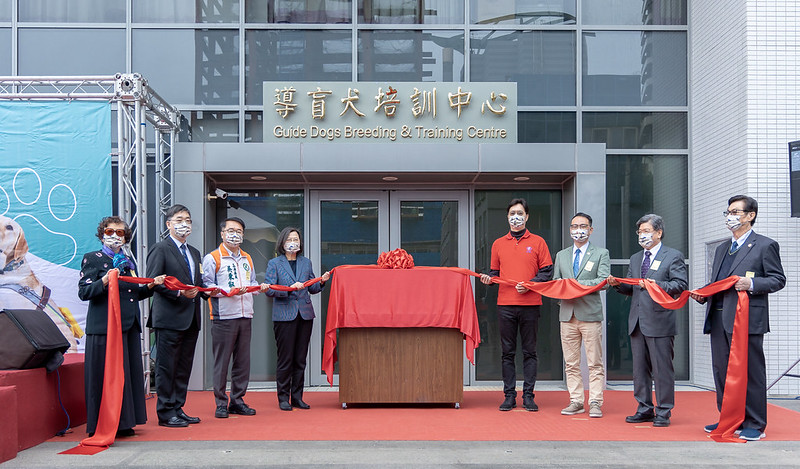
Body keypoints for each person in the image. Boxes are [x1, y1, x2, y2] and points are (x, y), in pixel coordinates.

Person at [691, 195, 785, 441]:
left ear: (750, 215)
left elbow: (777, 279)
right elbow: (719, 282)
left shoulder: (765, 245)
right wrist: (704, 293)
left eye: (735, 212)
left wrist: (751, 283)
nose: (730, 217)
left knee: (751, 371)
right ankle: (729, 418)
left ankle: (755, 423)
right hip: (719, 318)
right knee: (722, 370)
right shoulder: (722, 248)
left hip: (747, 319)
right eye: (728, 212)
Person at [78, 216, 165, 437]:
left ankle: (125, 422)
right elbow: (84, 292)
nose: (115, 236)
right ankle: (100, 423)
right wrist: (105, 280)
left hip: (127, 326)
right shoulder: (93, 258)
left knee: (127, 374)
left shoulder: (127, 262)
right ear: (102, 235)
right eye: (110, 232)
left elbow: (133, 293)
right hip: (104, 327)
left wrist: (152, 285)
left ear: (125, 238)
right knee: (103, 376)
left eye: (120, 233)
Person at [608, 213, 687, 427]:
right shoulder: (636, 258)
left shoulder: (673, 256)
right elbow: (632, 288)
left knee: (662, 370)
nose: (642, 235)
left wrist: (654, 284)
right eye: (639, 232)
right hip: (637, 322)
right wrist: (617, 284)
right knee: (639, 370)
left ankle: (663, 411)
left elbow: (680, 285)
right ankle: (644, 408)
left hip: (660, 321)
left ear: (658, 233)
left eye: (646, 231)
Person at [480, 198, 553, 412]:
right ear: (507, 217)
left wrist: (530, 285)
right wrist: (488, 280)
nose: (516, 217)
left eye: (520, 213)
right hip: (505, 305)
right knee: (507, 353)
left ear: (527, 216)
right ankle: (509, 396)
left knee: (530, 352)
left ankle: (528, 396)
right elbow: (494, 273)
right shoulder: (498, 244)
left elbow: (547, 271)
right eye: (512, 213)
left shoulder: (538, 242)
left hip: (530, 304)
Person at [146, 204, 210, 428]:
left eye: (188, 220)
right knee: (167, 367)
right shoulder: (160, 248)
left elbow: (198, 283)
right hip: (169, 318)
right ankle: (165, 412)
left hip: (191, 318)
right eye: (180, 220)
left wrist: (209, 292)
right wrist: (178, 292)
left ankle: (178, 407)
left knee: (183, 367)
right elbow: (153, 281)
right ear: (169, 224)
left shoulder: (194, 252)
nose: (185, 224)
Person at [202, 217, 270, 419]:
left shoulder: (247, 258)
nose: (235, 234)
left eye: (239, 231)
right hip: (223, 316)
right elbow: (206, 286)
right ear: (222, 233)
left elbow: (251, 282)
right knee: (222, 362)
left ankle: (238, 400)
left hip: (245, 314)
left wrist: (258, 288)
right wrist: (228, 291)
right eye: (231, 230)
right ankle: (221, 403)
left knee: (242, 361)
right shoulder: (213, 258)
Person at [265, 227, 330, 411]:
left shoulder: (306, 262)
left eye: (296, 239)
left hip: (305, 314)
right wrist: (289, 289)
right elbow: (269, 289)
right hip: (284, 315)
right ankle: (283, 398)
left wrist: (322, 281)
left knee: (300, 359)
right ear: (282, 242)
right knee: (285, 358)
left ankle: (297, 397)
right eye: (289, 239)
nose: (293, 242)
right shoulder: (274, 263)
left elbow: (312, 288)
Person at [553, 212, 610, 418]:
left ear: (591, 230)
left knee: (594, 362)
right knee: (571, 363)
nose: (579, 230)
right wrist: (563, 289)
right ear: (570, 230)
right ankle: (576, 401)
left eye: (583, 226)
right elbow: (556, 282)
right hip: (567, 315)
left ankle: (595, 401)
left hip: (590, 314)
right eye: (575, 226)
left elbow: (603, 281)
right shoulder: (561, 255)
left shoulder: (601, 253)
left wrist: (575, 285)